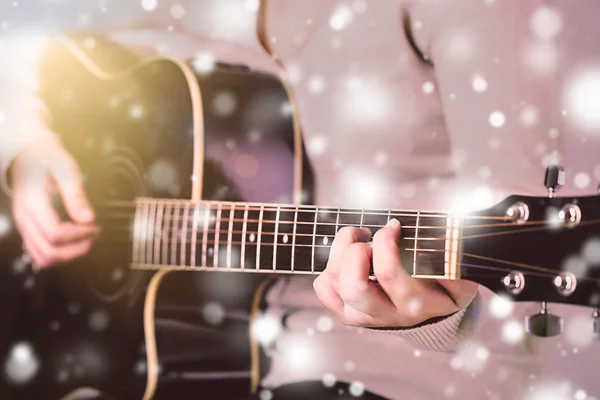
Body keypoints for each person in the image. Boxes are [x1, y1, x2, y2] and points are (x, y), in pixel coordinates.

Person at [1, 0, 599, 399]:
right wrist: (25, 149)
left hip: (378, 379)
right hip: (188, 361)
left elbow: (516, 317)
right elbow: (26, 53)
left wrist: (432, 319)